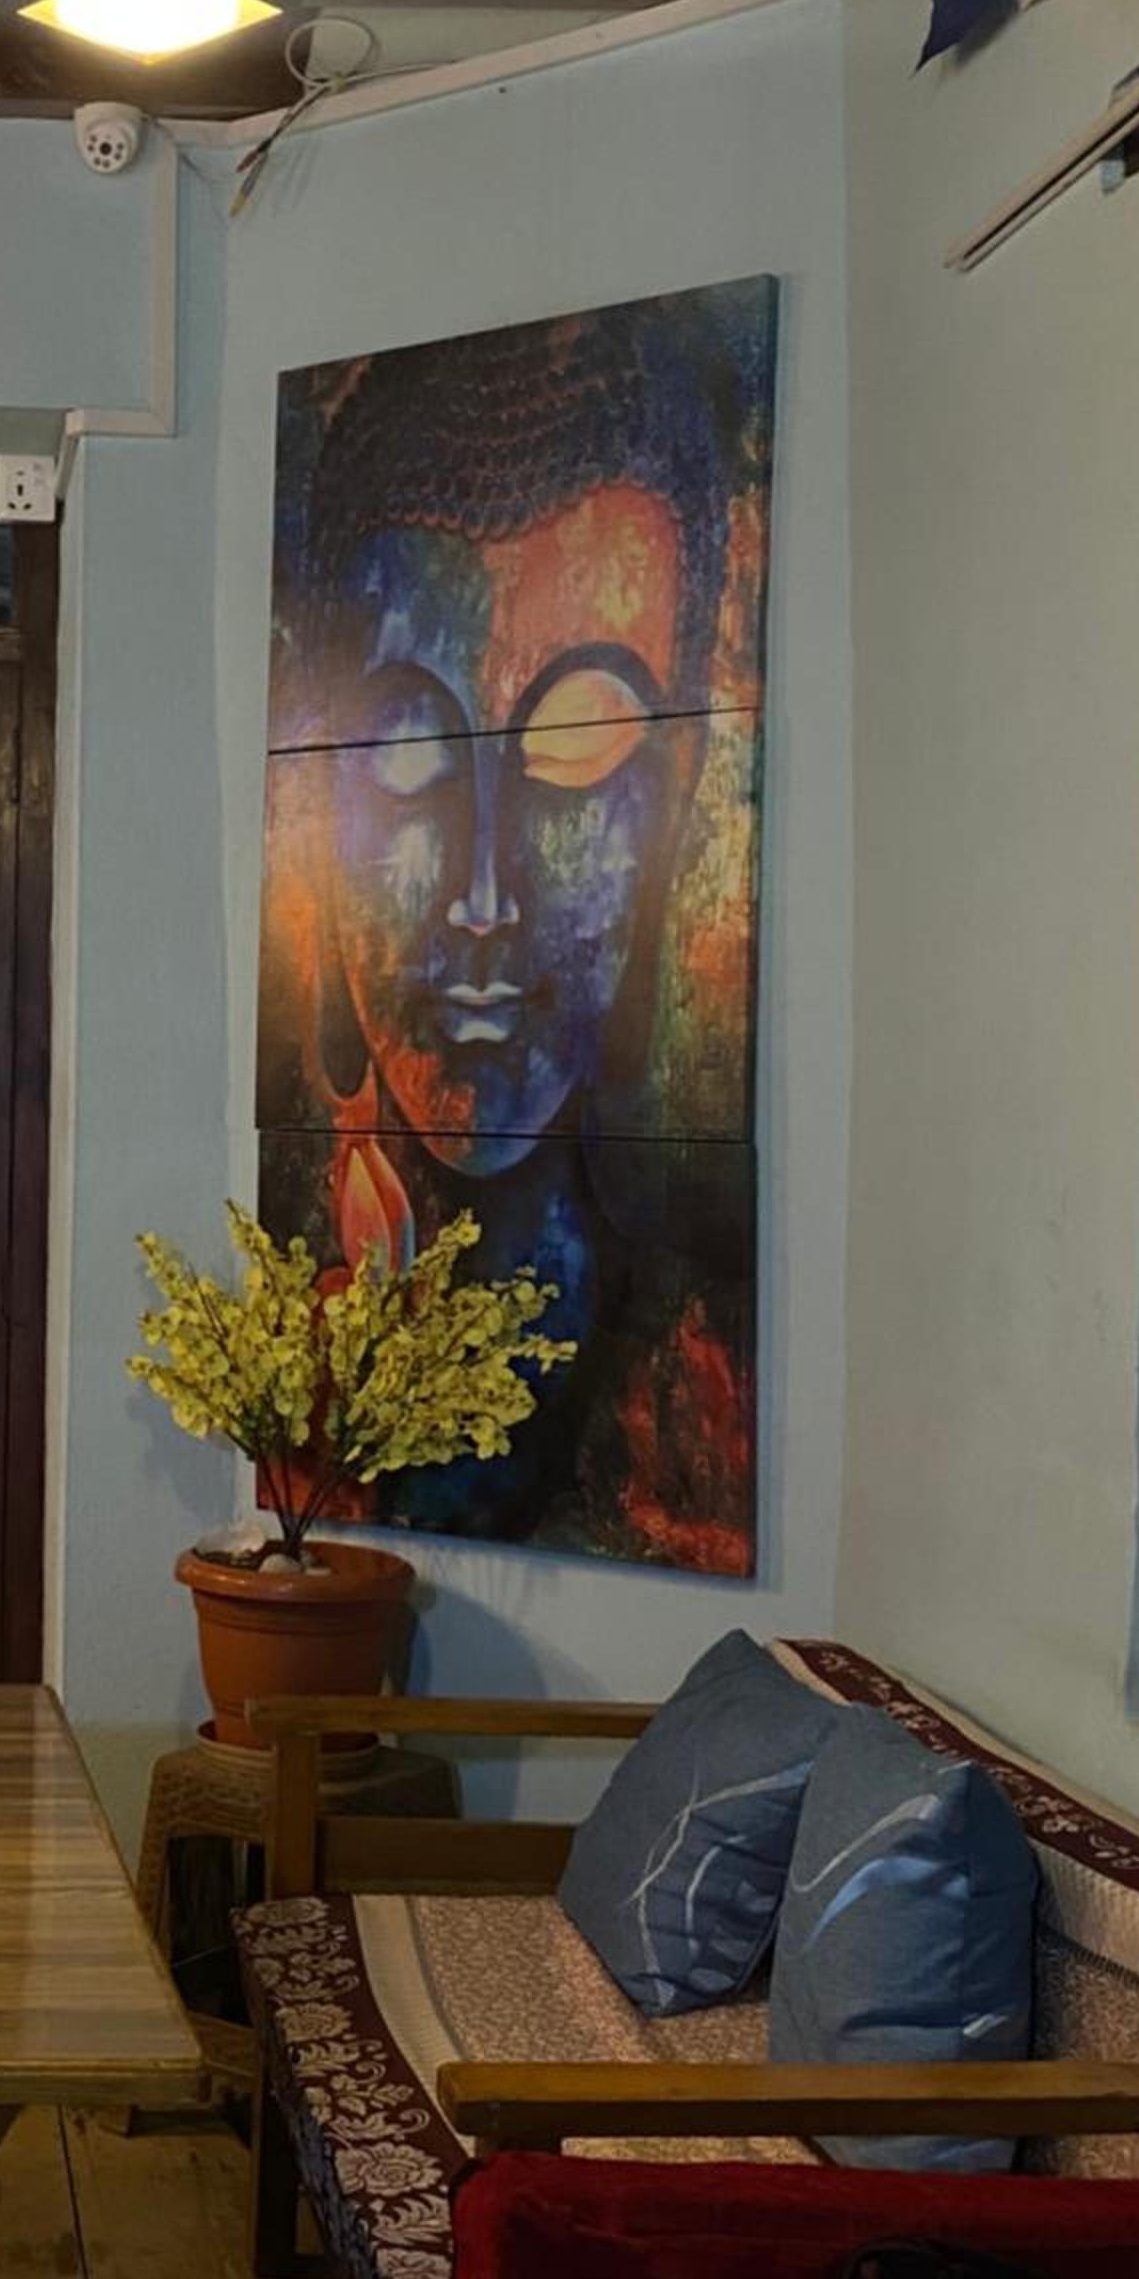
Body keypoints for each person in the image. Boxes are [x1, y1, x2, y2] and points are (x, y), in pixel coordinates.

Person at [257, 283, 774, 1572]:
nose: (483, 899)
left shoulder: (702, 1408)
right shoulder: (284, 1340)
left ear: (678, 816)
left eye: (578, 757)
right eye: (406, 759)